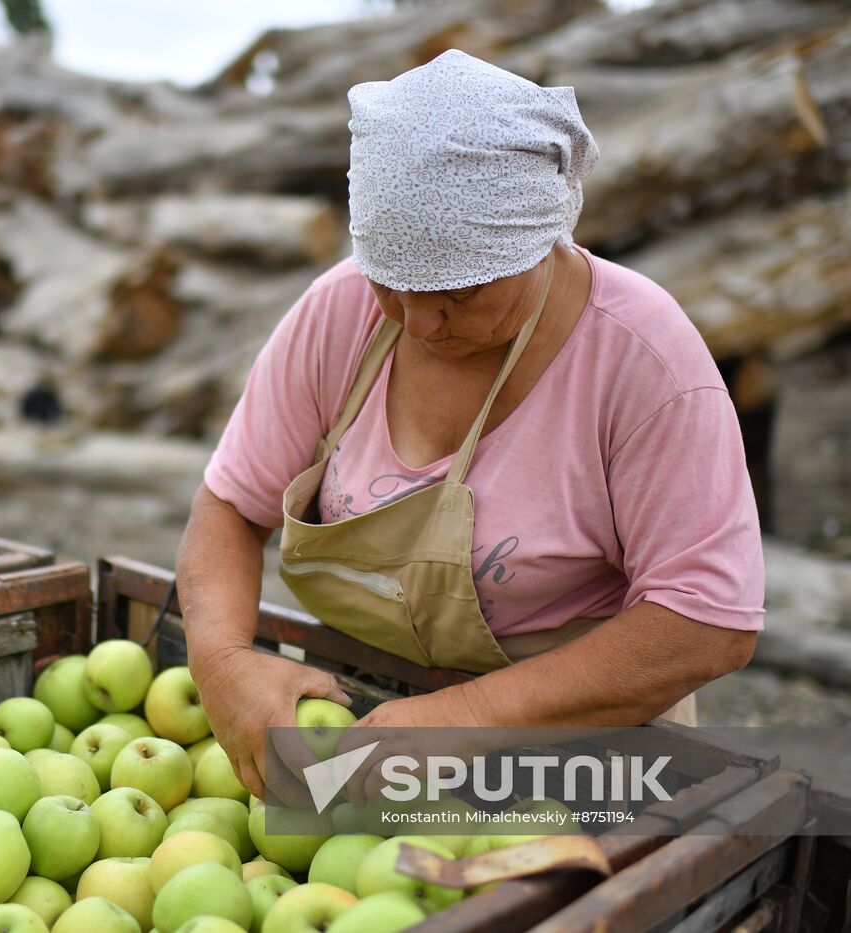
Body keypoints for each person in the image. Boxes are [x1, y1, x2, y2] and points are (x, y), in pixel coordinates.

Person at [175, 50, 764, 798]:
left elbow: (708, 622)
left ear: (539, 240)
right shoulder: (340, 311)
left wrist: (469, 715)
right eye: (393, 280)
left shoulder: (642, 361)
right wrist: (222, 661)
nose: (420, 320)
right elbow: (229, 506)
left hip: (583, 750)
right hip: (367, 722)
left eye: (461, 288)